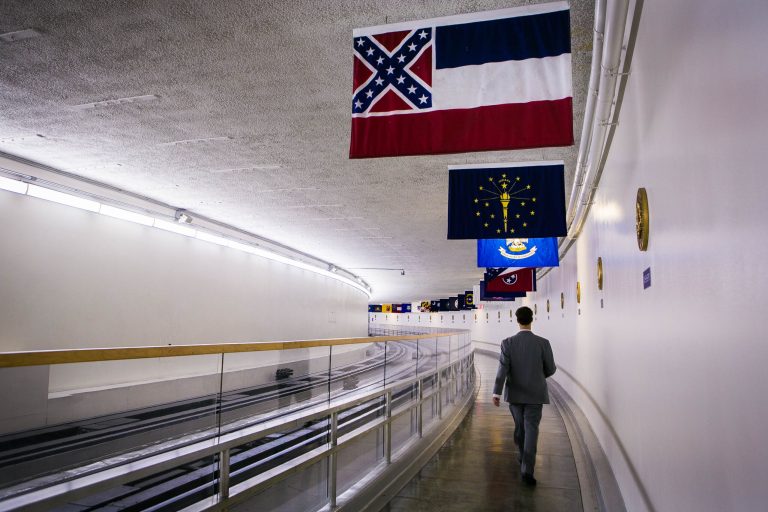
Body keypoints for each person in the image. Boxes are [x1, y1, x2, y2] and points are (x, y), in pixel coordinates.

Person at [492, 305, 556, 487]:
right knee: (531, 429)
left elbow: (502, 369)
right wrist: (536, 376)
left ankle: (523, 456)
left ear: (517, 320)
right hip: (536, 395)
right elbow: (550, 369)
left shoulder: (508, 343)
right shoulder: (543, 343)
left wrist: (496, 391)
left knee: (520, 427)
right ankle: (528, 469)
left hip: (515, 394)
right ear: (532, 319)